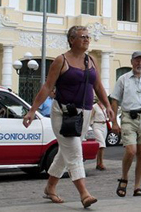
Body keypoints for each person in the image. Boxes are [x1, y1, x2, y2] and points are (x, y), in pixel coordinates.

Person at [22, 25, 113, 208]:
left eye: (88, 36)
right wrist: (32, 110)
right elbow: (47, 87)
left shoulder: (91, 60)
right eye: (82, 37)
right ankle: (84, 194)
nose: (87, 39)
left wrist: (107, 106)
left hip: (84, 113)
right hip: (63, 114)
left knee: (65, 153)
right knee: (75, 152)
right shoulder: (61, 60)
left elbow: (98, 86)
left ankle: (50, 188)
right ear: (72, 40)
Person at [111, 51, 141, 197]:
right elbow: (114, 99)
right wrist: (114, 121)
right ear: (132, 62)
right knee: (131, 150)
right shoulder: (123, 79)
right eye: (137, 60)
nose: (140, 63)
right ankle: (124, 177)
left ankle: (137, 186)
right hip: (129, 117)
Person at [90, 98, 108, 171]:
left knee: (100, 146)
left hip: (104, 125)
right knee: (102, 145)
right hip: (97, 125)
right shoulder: (94, 106)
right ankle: (101, 163)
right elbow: (90, 117)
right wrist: (90, 126)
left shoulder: (105, 106)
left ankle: (98, 163)